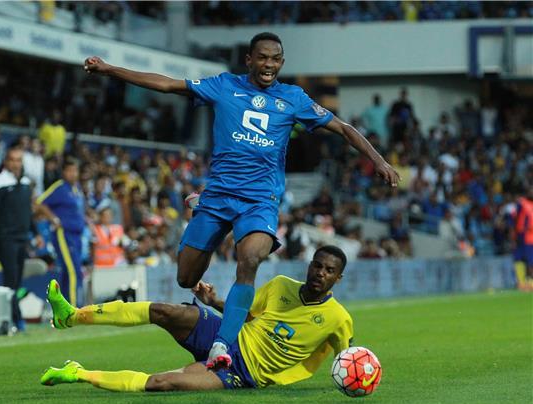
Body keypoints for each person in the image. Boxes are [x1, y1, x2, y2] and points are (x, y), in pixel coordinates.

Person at [83, 32, 398, 369]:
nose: (269, 65)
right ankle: (200, 206)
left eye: (275, 59)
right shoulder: (223, 86)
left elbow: (343, 127)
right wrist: (110, 70)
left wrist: (378, 160)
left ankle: (222, 345)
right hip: (218, 195)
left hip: (260, 200)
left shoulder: (293, 98)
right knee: (186, 279)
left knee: (249, 259)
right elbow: (168, 85)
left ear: (282, 62)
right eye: (262, 58)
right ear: (249, 60)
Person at [40, 246, 353, 392]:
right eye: (317, 266)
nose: (320, 274)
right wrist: (213, 301)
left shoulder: (338, 318)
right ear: (310, 266)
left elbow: (348, 357)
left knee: (163, 382)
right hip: (226, 336)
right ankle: (72, 316)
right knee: (165, 311)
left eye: (329, 271)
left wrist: (355, 378)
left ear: (337, 279)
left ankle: (77, 373)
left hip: (243, 372)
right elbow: (244, 312)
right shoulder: (282, 285)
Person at [0, 147, 41, 331]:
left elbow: (28, 213)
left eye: (19, 160)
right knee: (11, 279)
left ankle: (13, 318)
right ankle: (16, 320)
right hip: (5, 238)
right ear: (6, 162)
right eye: (13, 160)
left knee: (16, 281)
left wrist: (37, 232)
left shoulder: (25, 184)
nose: (16, 163)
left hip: (22, 238)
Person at [36, 158, 87, 306]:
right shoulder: (59, 187)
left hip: (77, 235)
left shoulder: (76, 189)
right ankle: (73, 309)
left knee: (68, 271)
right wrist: (53, 218)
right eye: (70, 171)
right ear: (64, 172)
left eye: (75, 170)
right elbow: (40, 202)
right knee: (73, 270)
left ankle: (64, 307)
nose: (73, 174)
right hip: (64, 234)